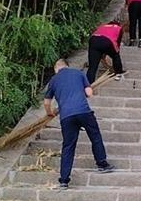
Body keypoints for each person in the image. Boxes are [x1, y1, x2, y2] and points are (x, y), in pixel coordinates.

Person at [44, 59, 115, 190]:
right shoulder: (78, 73)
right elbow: (89, 93)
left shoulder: (53, 80)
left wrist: (50, 113)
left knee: (68, 146)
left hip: (66, 116)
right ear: (67, 66)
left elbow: (47, 102)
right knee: (95, 136)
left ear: (56, 69)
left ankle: (64, 180)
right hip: (83, 111)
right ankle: (102, 164)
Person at [86, 20, 126, 85]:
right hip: (107, 41)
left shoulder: (102, 26)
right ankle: (118, 73)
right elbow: (117, 44)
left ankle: (89, 85)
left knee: (92, 67)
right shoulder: (119, 28)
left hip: (93, 40)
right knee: (115, 55)